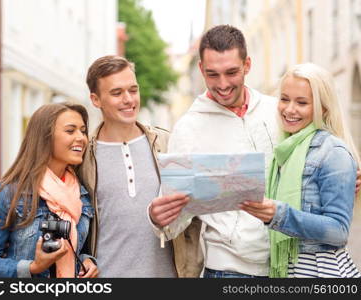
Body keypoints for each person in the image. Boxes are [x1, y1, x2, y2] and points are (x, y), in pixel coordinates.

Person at [149, 24, 279, 278]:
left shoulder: (275, 111)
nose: (222, 85)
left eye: (231, 72)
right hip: (228, 269)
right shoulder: (189, 128)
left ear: (247, 65)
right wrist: (158, 217)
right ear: (200, 70)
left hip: (286, 265)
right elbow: (175, 221)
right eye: (212, 74)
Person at [78, 55, 202, 277]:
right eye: (117, 93)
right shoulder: (83, 157)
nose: (129, 99)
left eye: (133, 90)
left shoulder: (167, 144)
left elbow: (193, 216)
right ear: (96, 100)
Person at [239, 63, 361, 278]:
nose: (289, 109)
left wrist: (280, 214)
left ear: (323, 108)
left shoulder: (333, 151)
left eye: (302, 102)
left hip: (322, 271)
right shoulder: (285, 150)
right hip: (290, 270)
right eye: (285, 99)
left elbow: (339, 231)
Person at [0, 102, 98, 278]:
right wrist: (33, 267)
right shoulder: (9, 194)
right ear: (45, 137)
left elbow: (78, 247)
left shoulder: (81, 195)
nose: (81, 138)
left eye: (83, 131)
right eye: (70, 131)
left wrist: (87, 260)